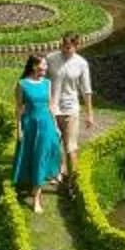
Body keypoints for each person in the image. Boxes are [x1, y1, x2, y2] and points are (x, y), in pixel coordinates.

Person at [11, 55, 63, 213]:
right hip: (30, 125)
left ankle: (36, 199)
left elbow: (50, 106)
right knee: (31, 156)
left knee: (44, 156)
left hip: (46, 124)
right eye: (42, 67)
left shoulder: (47, 83)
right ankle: (31, 185)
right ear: (33, 66)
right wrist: (18, 129)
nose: (45, 70)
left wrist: (56, 126)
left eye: (46, 67)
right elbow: (18, 109)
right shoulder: (22, 85)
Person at [48, 32, 94, 190]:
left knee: (70, 146)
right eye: (62, 46)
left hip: (71, 109)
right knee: (54, 143)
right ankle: (57, 172)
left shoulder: (82, 63)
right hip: (52, 108)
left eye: (68, 47)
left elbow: (86, 90)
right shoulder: (51, 58)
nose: (64, 49)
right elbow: (42, 79)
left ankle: (72, 181)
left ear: (76, 46)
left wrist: (89, 114)